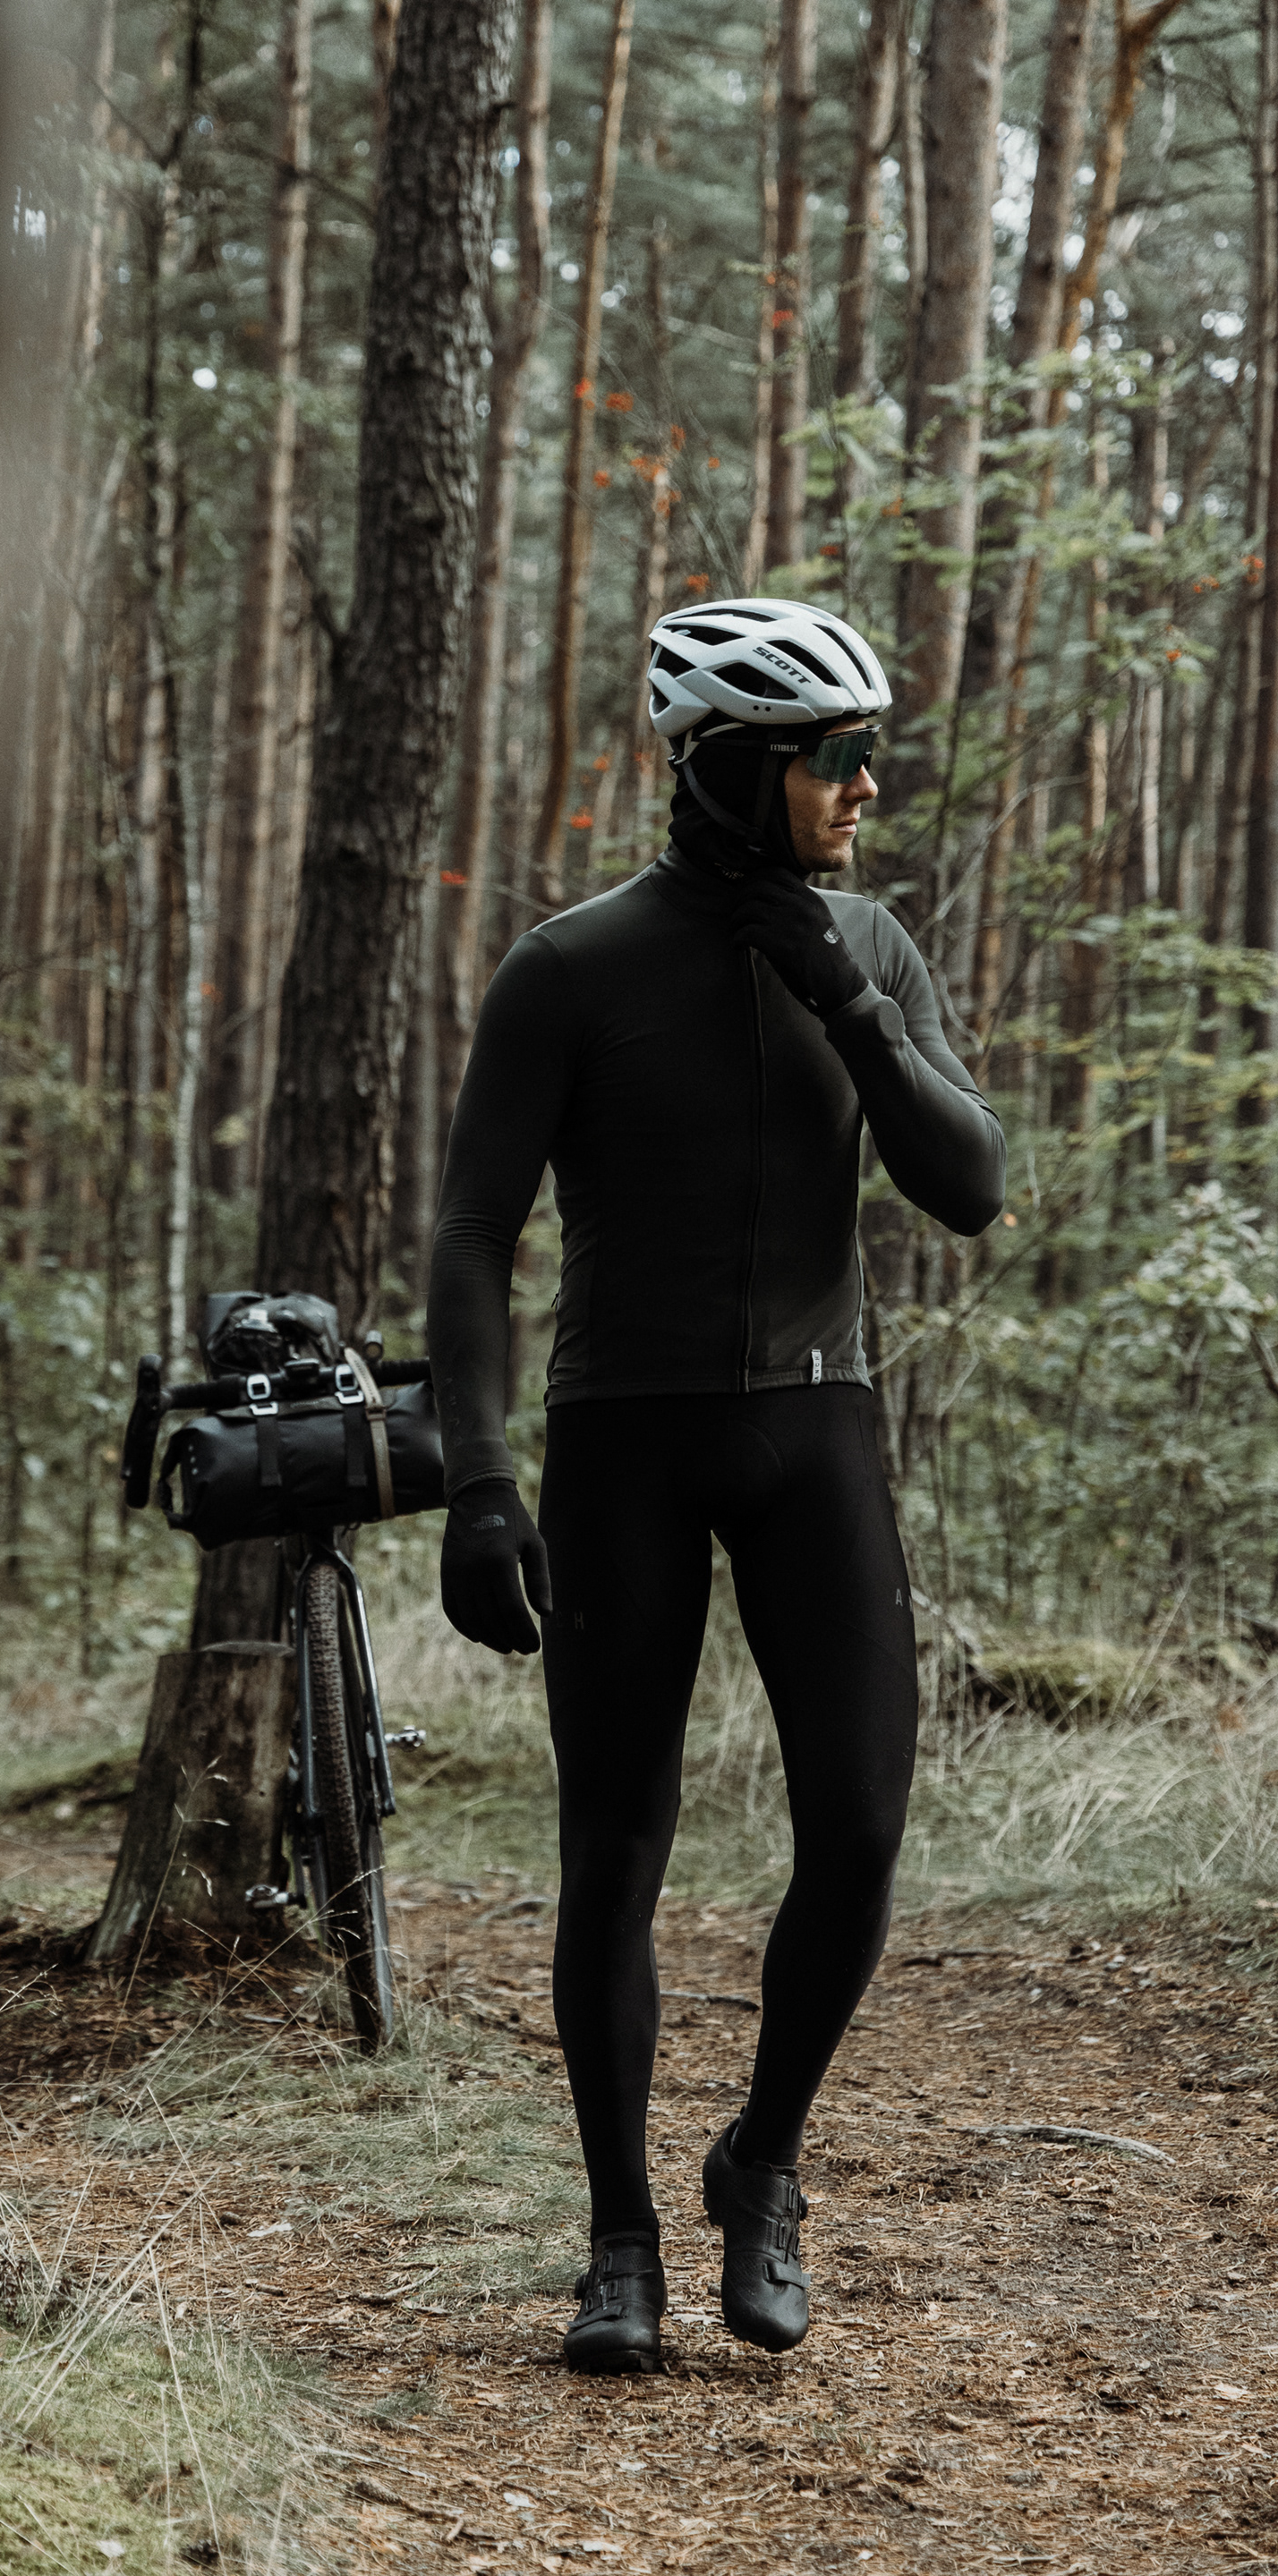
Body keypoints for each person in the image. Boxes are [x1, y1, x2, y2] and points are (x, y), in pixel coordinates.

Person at [426, 598, 1005, 2372]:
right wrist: (480, 1480)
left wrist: (844, 996)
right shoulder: (571, 968)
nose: (865, 784)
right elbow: (472, 1237)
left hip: (815, 1432)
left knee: (863, 1831)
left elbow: (972, 1184)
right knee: (615, 1849)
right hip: (626, 1442)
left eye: (866, 753)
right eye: (835, 759)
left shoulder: (868, 946)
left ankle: (761, 2162)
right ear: (734, 770)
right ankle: (620, 2242)